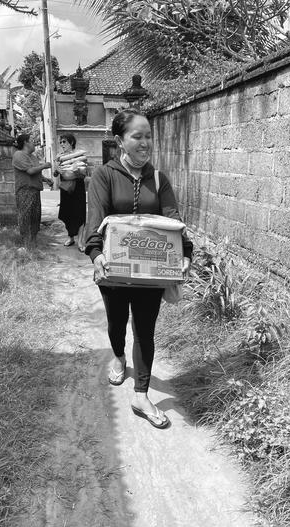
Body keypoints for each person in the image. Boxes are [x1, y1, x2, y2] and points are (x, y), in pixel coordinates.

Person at [85, 109, 193, 429]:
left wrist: (185, 253)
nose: (145, 143)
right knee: (117, 324)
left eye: (148, 136)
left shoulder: (158, 179)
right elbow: (95, 217)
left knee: (145, 331)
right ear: (120, 140)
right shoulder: (105, 175)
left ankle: (141, 395)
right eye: (137, 136)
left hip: (150, 274)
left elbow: (174, 221)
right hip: (114, 272)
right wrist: (95, 254)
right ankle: (119, 356)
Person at [12, 133, 53, 248]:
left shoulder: (33, 157)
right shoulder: (19, 155)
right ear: (26, 142)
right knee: (25, 217)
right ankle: (26, 244)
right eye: (32, 140)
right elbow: (30, 171)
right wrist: (44, 166)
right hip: (25, 191)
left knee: (35, 217)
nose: (34, 143)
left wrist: (46, 179)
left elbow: (36, 171)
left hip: (35, 191)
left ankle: (33, 243)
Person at [54, 133, 87, 251]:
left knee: (79, 213)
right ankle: (70, 237)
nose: (62, 144)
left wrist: (76, 171)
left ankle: (81, 241)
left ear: (71, 142)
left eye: (64, 142)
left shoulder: (79, 156)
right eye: (60, 142)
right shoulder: (60, 157)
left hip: (78, 188)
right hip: (65, 188)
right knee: (67, 212)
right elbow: (55, 174)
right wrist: (57, 170)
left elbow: (84, 175)